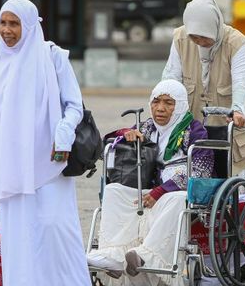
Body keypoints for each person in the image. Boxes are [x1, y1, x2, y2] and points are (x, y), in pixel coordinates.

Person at [0, 0, 90, 285]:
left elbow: (74, 105)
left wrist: (64, 133)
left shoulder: (52, 56)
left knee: (55, 229)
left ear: (28, 24)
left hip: (50, 161)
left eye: (14, 23)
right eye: (3, 23)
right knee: (19, 235)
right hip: (14, 167)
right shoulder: (1, 60)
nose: (6, 30)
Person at [86, 79, 214, 286]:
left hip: (174, 190)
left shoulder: (195, 130)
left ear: (180, 104)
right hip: (148, 188)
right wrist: (124, 134)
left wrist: (162, 190)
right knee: (114, 191)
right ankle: (113, 254)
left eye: (168, 103)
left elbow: (201, 170)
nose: (160, 109)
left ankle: (144, 256)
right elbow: (108, 142)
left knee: (177, 199)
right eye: (155, 102)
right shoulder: (147, 126)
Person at [162, 0, 245, 188]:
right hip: (196, 124)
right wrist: (165, 103)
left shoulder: (235, 42)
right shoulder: (181, 38)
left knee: (237, 184)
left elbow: (241, 81)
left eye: (203, 36)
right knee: (195, 179)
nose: (198, 41)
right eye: (194, 36)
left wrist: (238, 110)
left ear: (214, 26)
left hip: (232, 125)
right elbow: (171, 77)